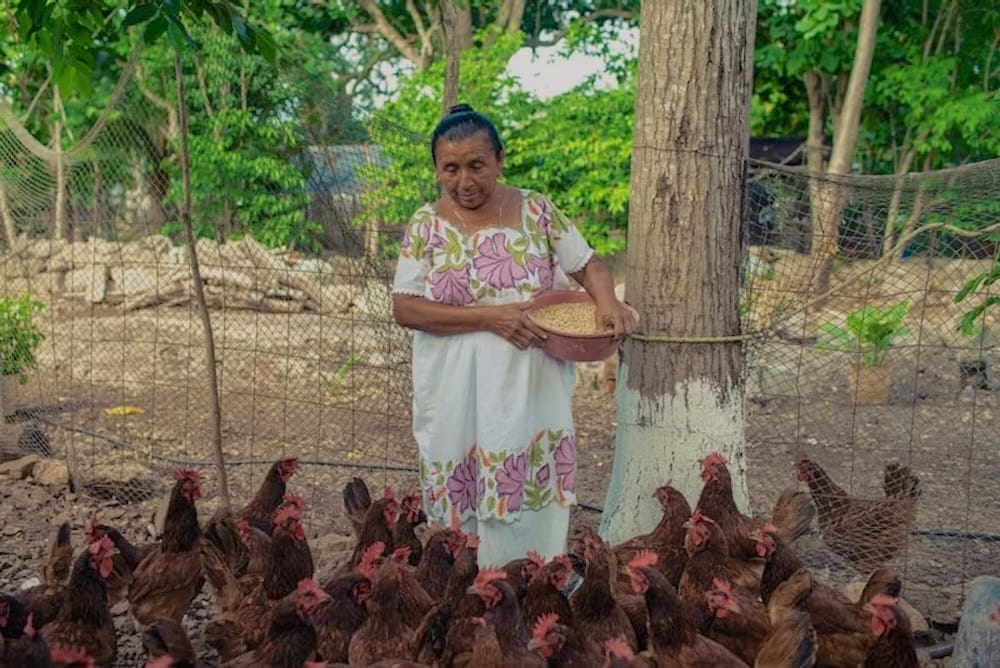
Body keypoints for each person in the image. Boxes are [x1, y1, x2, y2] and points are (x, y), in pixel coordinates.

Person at [391, 103, 636, 566]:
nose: (465, 181)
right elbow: (405, 307)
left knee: (526, 483)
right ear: (437, 169)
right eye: (451, 169)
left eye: (477, 165)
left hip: (530, 383)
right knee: (461, 484)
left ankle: (535, 580)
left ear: (500, 160)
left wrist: (607, 303)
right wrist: (490, 318)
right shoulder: (426, 224)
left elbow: (589, 265)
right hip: (455, 388)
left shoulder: (536, 210)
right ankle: (465, 584)